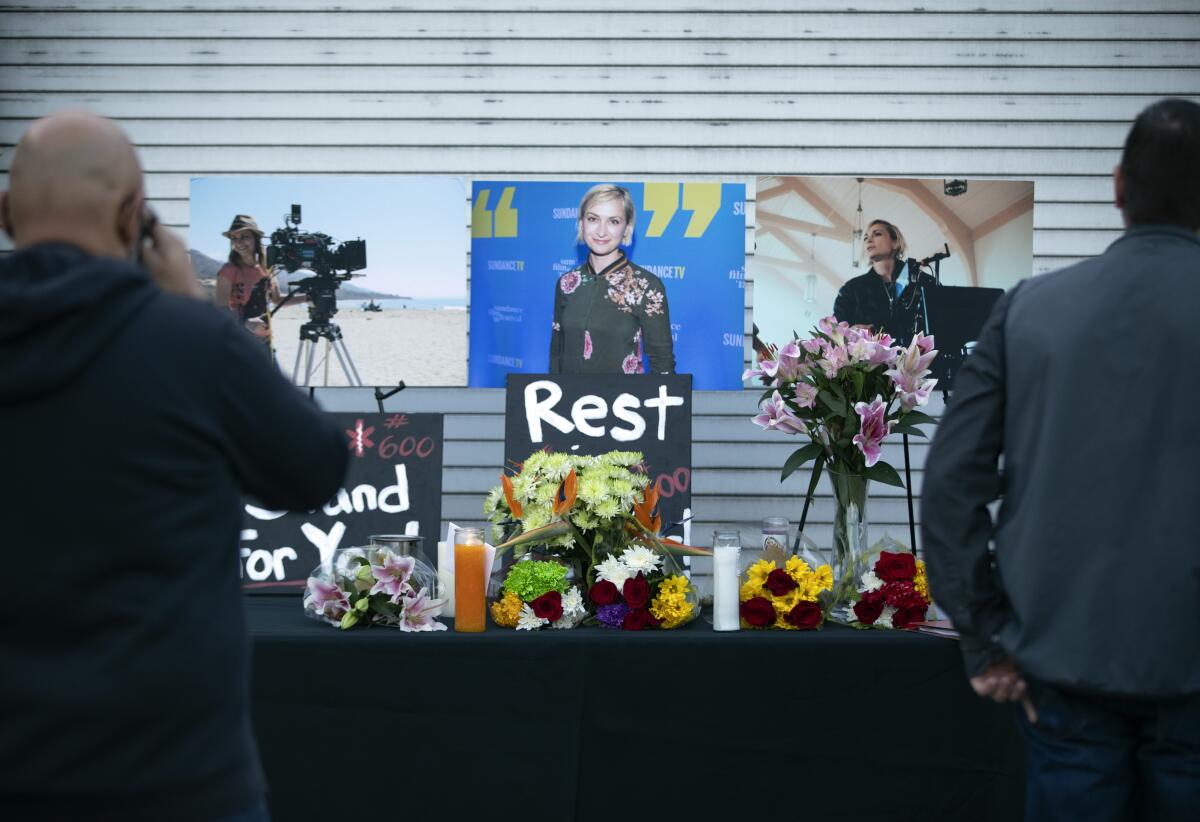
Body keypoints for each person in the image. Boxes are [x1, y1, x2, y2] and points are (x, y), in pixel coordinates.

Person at [0, 112, 348, 820]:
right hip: (175, 772)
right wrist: (193, 311)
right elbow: (314, 468)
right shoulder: (192, 342)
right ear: (134, 215)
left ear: (7, 213)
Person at [921, 98, 1200, 822]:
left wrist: (984, 640)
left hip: (1062, 664)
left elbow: (952, 483)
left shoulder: (1030, 309)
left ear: (1117, 186)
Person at [549, 184, 675, 374]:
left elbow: (662, 364)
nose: (601, 231)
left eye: (613, 221)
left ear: (627, 228)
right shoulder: (567, 284)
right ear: (581, 223)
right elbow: (556, 356)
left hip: (624, 402)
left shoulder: (647, 286)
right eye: (593, 219)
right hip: (570, 401)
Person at [832, 219, 920, 343]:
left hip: (916, 360)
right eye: (866, 237)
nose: (869, 239)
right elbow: (837, 332)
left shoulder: (919, 281)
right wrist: (851, 331)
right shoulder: (851, 290)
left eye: (877, 234)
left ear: (895, 243)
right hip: (872, 361)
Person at [215, 214, 281, 348]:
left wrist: (309, 297)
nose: (239, 242)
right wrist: (246, 322)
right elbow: (220, 309)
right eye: (234, 238)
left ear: (256, 239)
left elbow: (278, 300)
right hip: (237, 340)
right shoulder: (228, 270)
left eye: (245, 237)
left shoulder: (267, 268)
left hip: (265, 341)